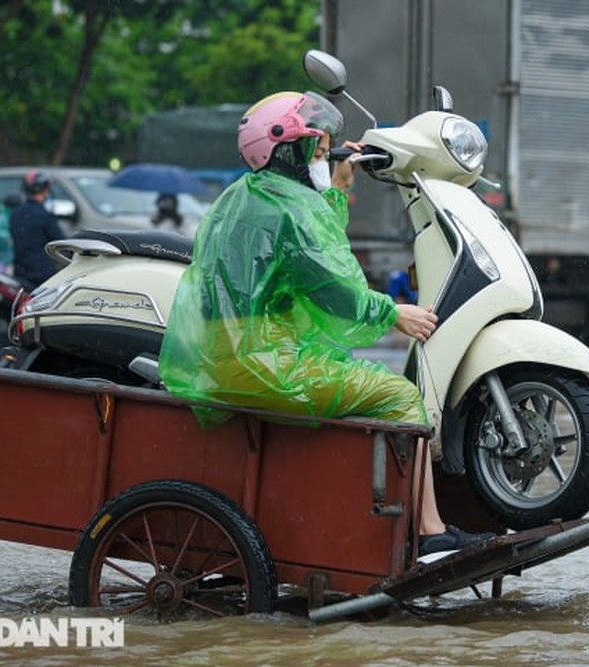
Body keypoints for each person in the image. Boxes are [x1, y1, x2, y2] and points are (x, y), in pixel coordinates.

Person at [158, 91, 493, 557]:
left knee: (355, 377)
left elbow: (312, 253)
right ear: (287, 150)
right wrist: (393, 312)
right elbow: (331, 287)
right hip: (261, 363)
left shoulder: (247, 195)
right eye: (318, 150)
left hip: (232, 356)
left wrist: (336, 186)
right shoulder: (290, 208)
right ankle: (431, 536)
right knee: (398, 395)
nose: (324, 157)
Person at [9, 171, 65, 288]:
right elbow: (60, 242)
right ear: (44, 190)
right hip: (43, 274)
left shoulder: (15, 214)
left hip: (20, 272)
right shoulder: (45, 215)